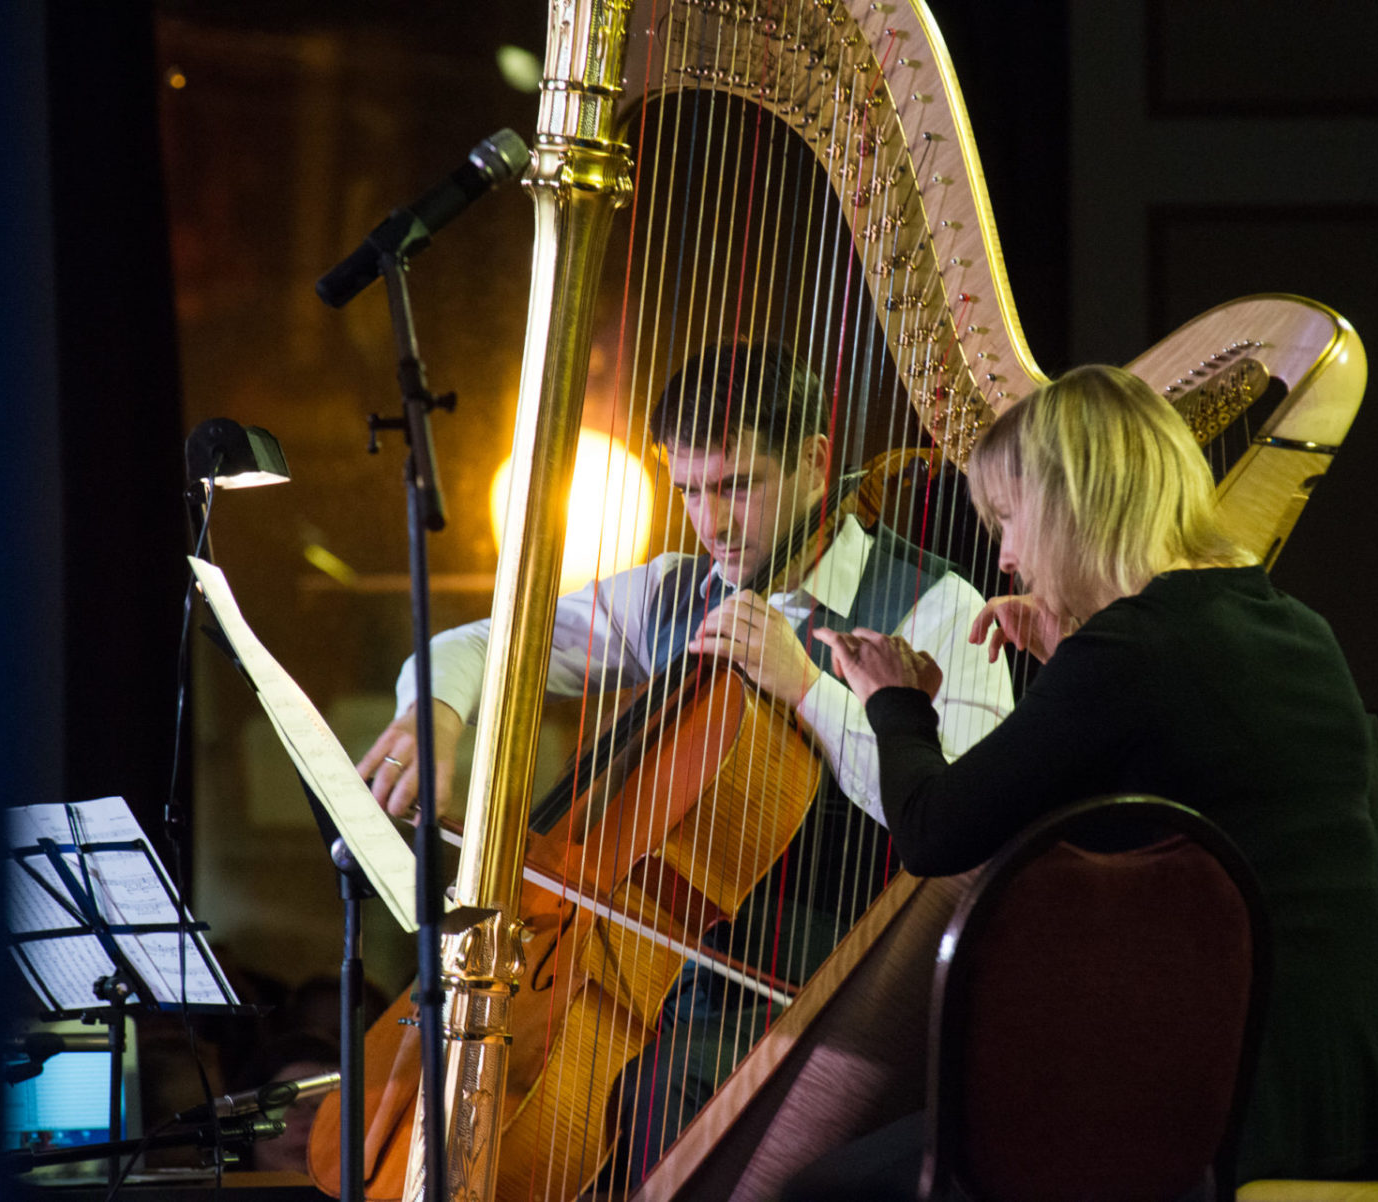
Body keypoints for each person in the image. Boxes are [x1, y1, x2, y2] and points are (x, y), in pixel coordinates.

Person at [358, 340, 1014, 1179]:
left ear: (815, 461)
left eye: (738, 486)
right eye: (691, 490)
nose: (714, 523)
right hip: (655, 985)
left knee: (648, 1100)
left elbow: (965, 821)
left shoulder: (936, 605)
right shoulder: (675, 589)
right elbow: (487, 643)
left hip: (817, 999)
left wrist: (806, 685)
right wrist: (432, 717)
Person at [807, 363, 1378, 1189]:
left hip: (1212, 1115)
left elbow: (932, 831)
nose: (1009, 557)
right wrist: (1067, 658)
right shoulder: (1297, 625)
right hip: (1347, 1099)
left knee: (828, 1187)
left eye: (1012, 520)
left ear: (1073, 506)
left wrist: (895, 702)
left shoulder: (1129, 651)